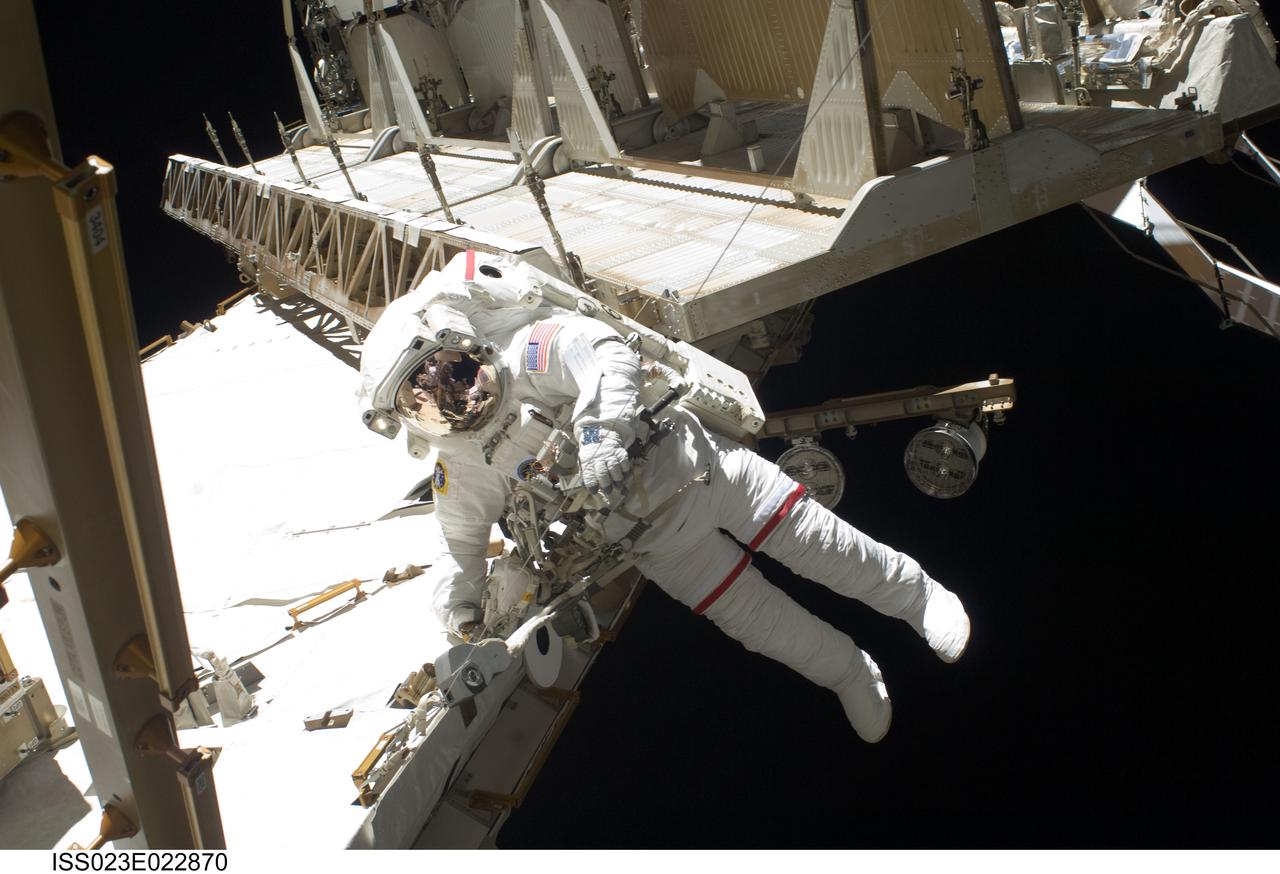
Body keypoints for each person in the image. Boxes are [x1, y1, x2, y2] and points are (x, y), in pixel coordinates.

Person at [359, 250, 970, 742]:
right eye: (428, 401)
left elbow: (601, 352)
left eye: (455, 375)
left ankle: (918, 599)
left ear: (468, 347)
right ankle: (850, 672)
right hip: (656, 545)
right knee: (764, 627)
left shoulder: (528, 352)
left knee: (826, 548)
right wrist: (459, 612)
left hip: (710, 473)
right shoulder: (465, 463)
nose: (456, 399)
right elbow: (458, 546)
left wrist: (600, 436)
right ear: (414, 420)